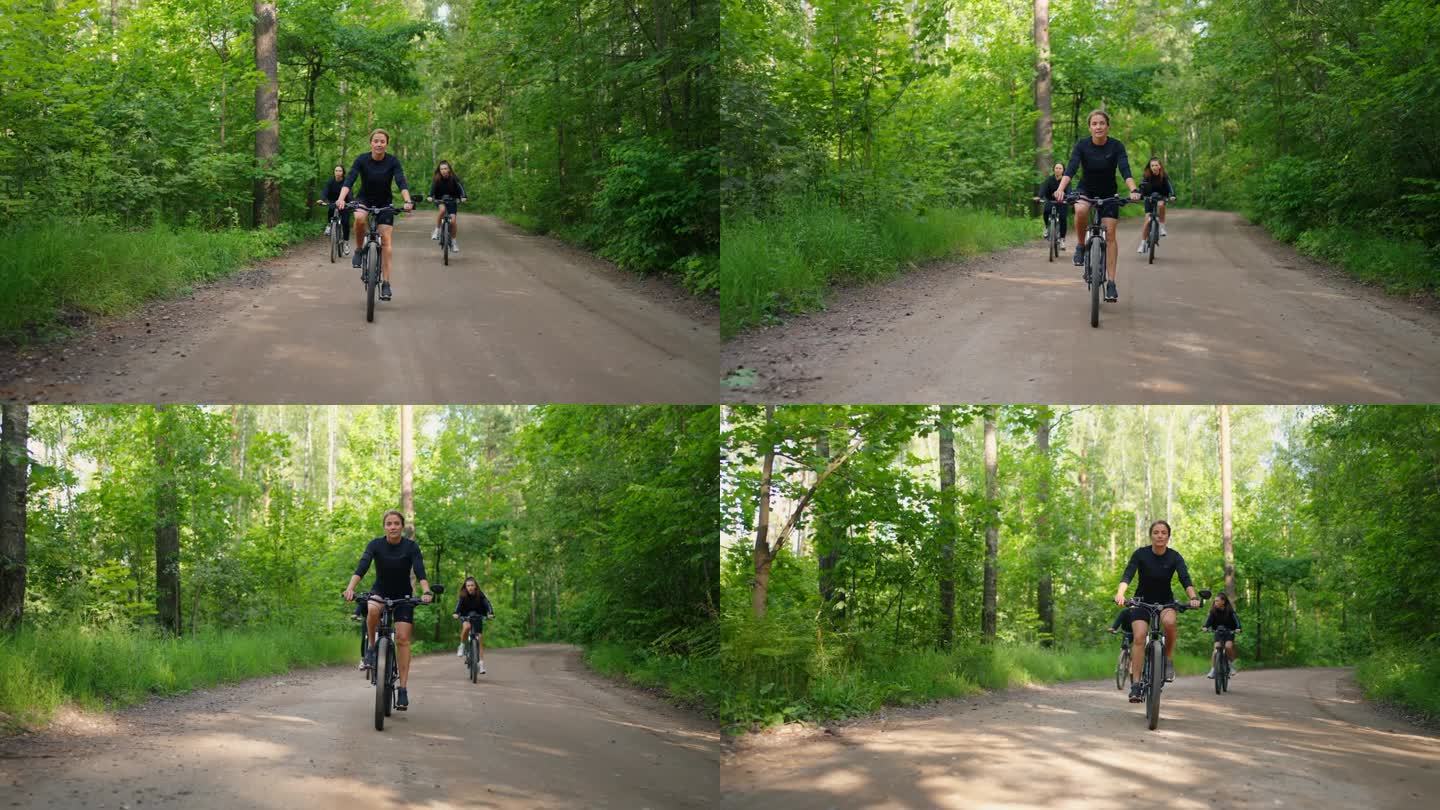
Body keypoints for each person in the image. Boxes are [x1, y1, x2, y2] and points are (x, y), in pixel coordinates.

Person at [342, 510, 432, 711]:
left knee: (402, 638)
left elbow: (420, 571)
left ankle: (403, 689)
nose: (392, 527)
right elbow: (362, 567)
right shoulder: (375, 545)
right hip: (380, 591)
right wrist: (350, 588)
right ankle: (372, 649)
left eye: (396, 523)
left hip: (404, 596)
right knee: (372, 608)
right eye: (389, 523)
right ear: (384, 527)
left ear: (402, 526)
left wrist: (426, 591)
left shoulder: (411, 547)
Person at [1053, 110, 1140, 303]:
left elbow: (1125, 169)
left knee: (1110, 234)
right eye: (1094, 123)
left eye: (1102, 123)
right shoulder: (1082, 145)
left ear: (1108, 126)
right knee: (1081, 209)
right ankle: (1081, 246)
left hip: (1109, 192)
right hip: (1086, 190)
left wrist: (1133, 189)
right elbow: (1072, 168)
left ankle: (1111, 283)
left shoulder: (1116, 146)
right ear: (1090, 127)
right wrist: (1060, 189)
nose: (1098, 127)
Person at [1114, 519, 1200, 703]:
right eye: (1156, 532)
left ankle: (1167, 659)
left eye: (1163, 532)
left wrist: (1193, 598)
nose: (1160, 535)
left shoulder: (1174, 557)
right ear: (1151, 535)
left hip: (1165, 602)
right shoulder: (1141, 554)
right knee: (1139, 637)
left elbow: (1185, 578)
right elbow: (1128, 574)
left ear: (1168, 536)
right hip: (1141, 602)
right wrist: (1120, 593)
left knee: (1169, 623)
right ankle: (1136, 685)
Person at [335, 129, 415, 302]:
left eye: (382, 141)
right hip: (364, 199)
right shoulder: (362, 160)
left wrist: (407, 200)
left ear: (386, 144)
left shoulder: (393, 161)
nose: (379, 144)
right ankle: (358, 249)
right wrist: (341, 199)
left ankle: (386, 283)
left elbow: (401, 180)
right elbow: (350, 179)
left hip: (385, 202)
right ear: (371, 143)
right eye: (376, 141)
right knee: (358, 218)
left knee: (386, 240)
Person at [451, 576, 494, 673]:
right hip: (465, 616)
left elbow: (487, 604)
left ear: (475, 586)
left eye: (472, 585)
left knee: (480, 638)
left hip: (478, 616)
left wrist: (490, 613)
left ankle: (481, 664)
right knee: (466, 627)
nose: (470, 587)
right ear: (465, 587)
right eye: (468, 585)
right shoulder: (463, 595)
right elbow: (458, 605)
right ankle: (461, 645)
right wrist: (456, 613)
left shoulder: (480, 594)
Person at [1135, 157, 1175, 254]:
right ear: (1150, 167)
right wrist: (1139, 194)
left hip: (1161, 196)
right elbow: (1141, 186)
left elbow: (1170, 187)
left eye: (1156, 165)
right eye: (1152, 165)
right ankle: (1143, 243)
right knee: (1147, 219)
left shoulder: (1164, 176)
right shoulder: (1146, 175)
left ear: (1160, 166)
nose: (1154, 167)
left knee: (1161, 205)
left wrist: (1172, 195)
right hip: (1149, 197)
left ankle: (1161, 226)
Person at [429, 160, 468, 253]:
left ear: (449, 169)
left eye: (445, 168)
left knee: (453, 221)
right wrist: (430, 196)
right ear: (439, 170)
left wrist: (463, 196)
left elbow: (460, 188)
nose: (443, 170)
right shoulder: (437, 178)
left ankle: (454, 242)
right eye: (441, 169)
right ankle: (437, 230)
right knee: (442, 211)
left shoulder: (454, 178)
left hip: (452, 200)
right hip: (440, 200)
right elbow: (432, 188)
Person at [1203, 593, 1242, 678]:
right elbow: (1208, 620)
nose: (1215, 602)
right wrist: (1205, 627)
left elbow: (1236, 620)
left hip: (1229, 632)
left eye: (1217, 601)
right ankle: (1213, 670)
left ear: (1223, 601)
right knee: (1216, 649)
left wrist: (1238, 628)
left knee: (1228, 647)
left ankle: (1231, 666)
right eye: (1215, 601)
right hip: (1218, 632)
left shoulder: (1230, 611)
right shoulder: (1213, 611)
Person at [317, 165, 353, 255]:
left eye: (340, 171)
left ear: (343, 173)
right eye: (336, 170)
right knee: (331, 209)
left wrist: (351, 202)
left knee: (345, 222)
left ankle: (346, 242)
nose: (337, 172)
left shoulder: (346, 182)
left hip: (345, 203)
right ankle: (329, 225)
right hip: (333, 202)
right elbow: (325, 190)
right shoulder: (331, 181)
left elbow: (350, 193)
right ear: (334, 172)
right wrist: (322, 199)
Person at [1035, 162, 1069, 250]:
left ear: (1063, 170)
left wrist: (1069, 198)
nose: (1058, 170)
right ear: (1053, 169)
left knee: (1062, 218)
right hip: (1050, 201)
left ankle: (1062, 239)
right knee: (1046, 211)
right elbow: (1043, 188)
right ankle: (1047, 227)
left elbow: (1069, 191)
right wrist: (1039, 197)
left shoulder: (1066, 180)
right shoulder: (1049, 179)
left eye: (1060, 168)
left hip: (1062, 202)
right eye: (1056, 168)